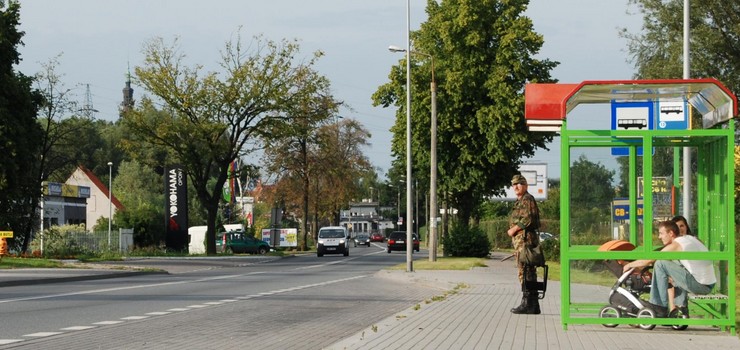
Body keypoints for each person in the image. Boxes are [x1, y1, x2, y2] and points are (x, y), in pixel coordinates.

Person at [622, 220, 716, 316]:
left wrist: (629, 265)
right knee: (673, 265)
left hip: (700, 285)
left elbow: (650, 260)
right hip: (707, 284)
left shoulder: (677, 244)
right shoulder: (688, 238)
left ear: (671, 233)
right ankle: (680, 307)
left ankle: (658, 305)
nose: (659, 237)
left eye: (661, 233)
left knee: (660, 263)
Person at [507, 174, 542, 315]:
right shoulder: (520, 200)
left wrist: (514, 229)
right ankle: (533, 304)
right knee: (528, 271)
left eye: (519, 184)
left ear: (525, 185)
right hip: (522, 242)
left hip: (526, 242)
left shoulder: (527, 199)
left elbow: (528, 219)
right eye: (514, 184)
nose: (516, 187)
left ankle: (527, 303)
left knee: (526, 271)